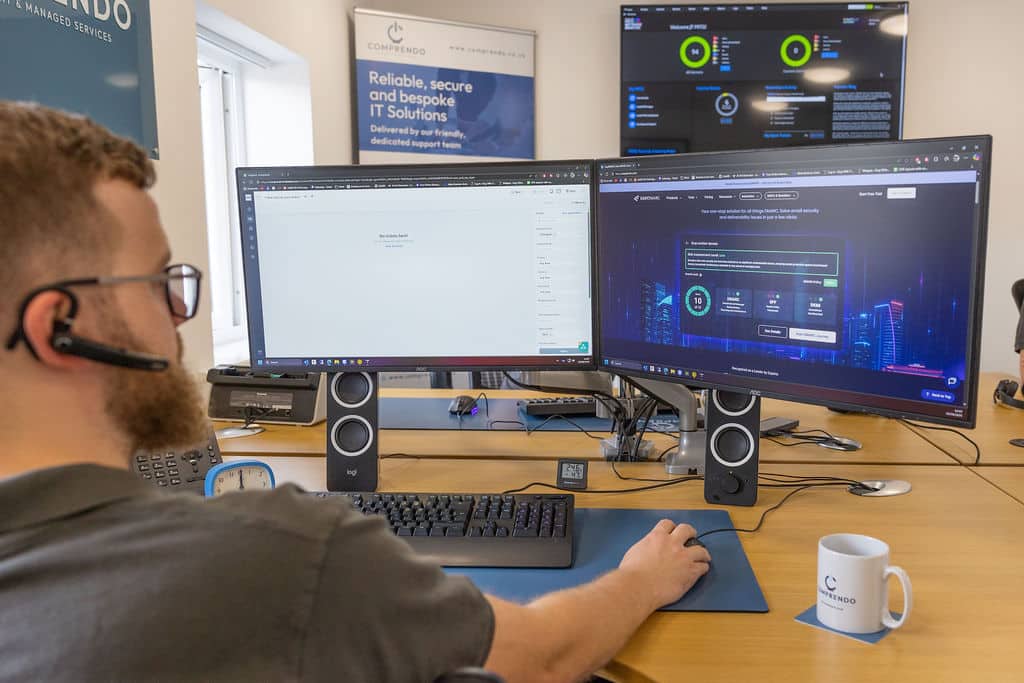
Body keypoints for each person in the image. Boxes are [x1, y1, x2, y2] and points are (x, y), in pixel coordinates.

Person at [0, 102, 711, 683]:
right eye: (160, 283)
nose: (179, 314)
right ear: (59, 326)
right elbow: (543, 657)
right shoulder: (281, 553)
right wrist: (641, 580)